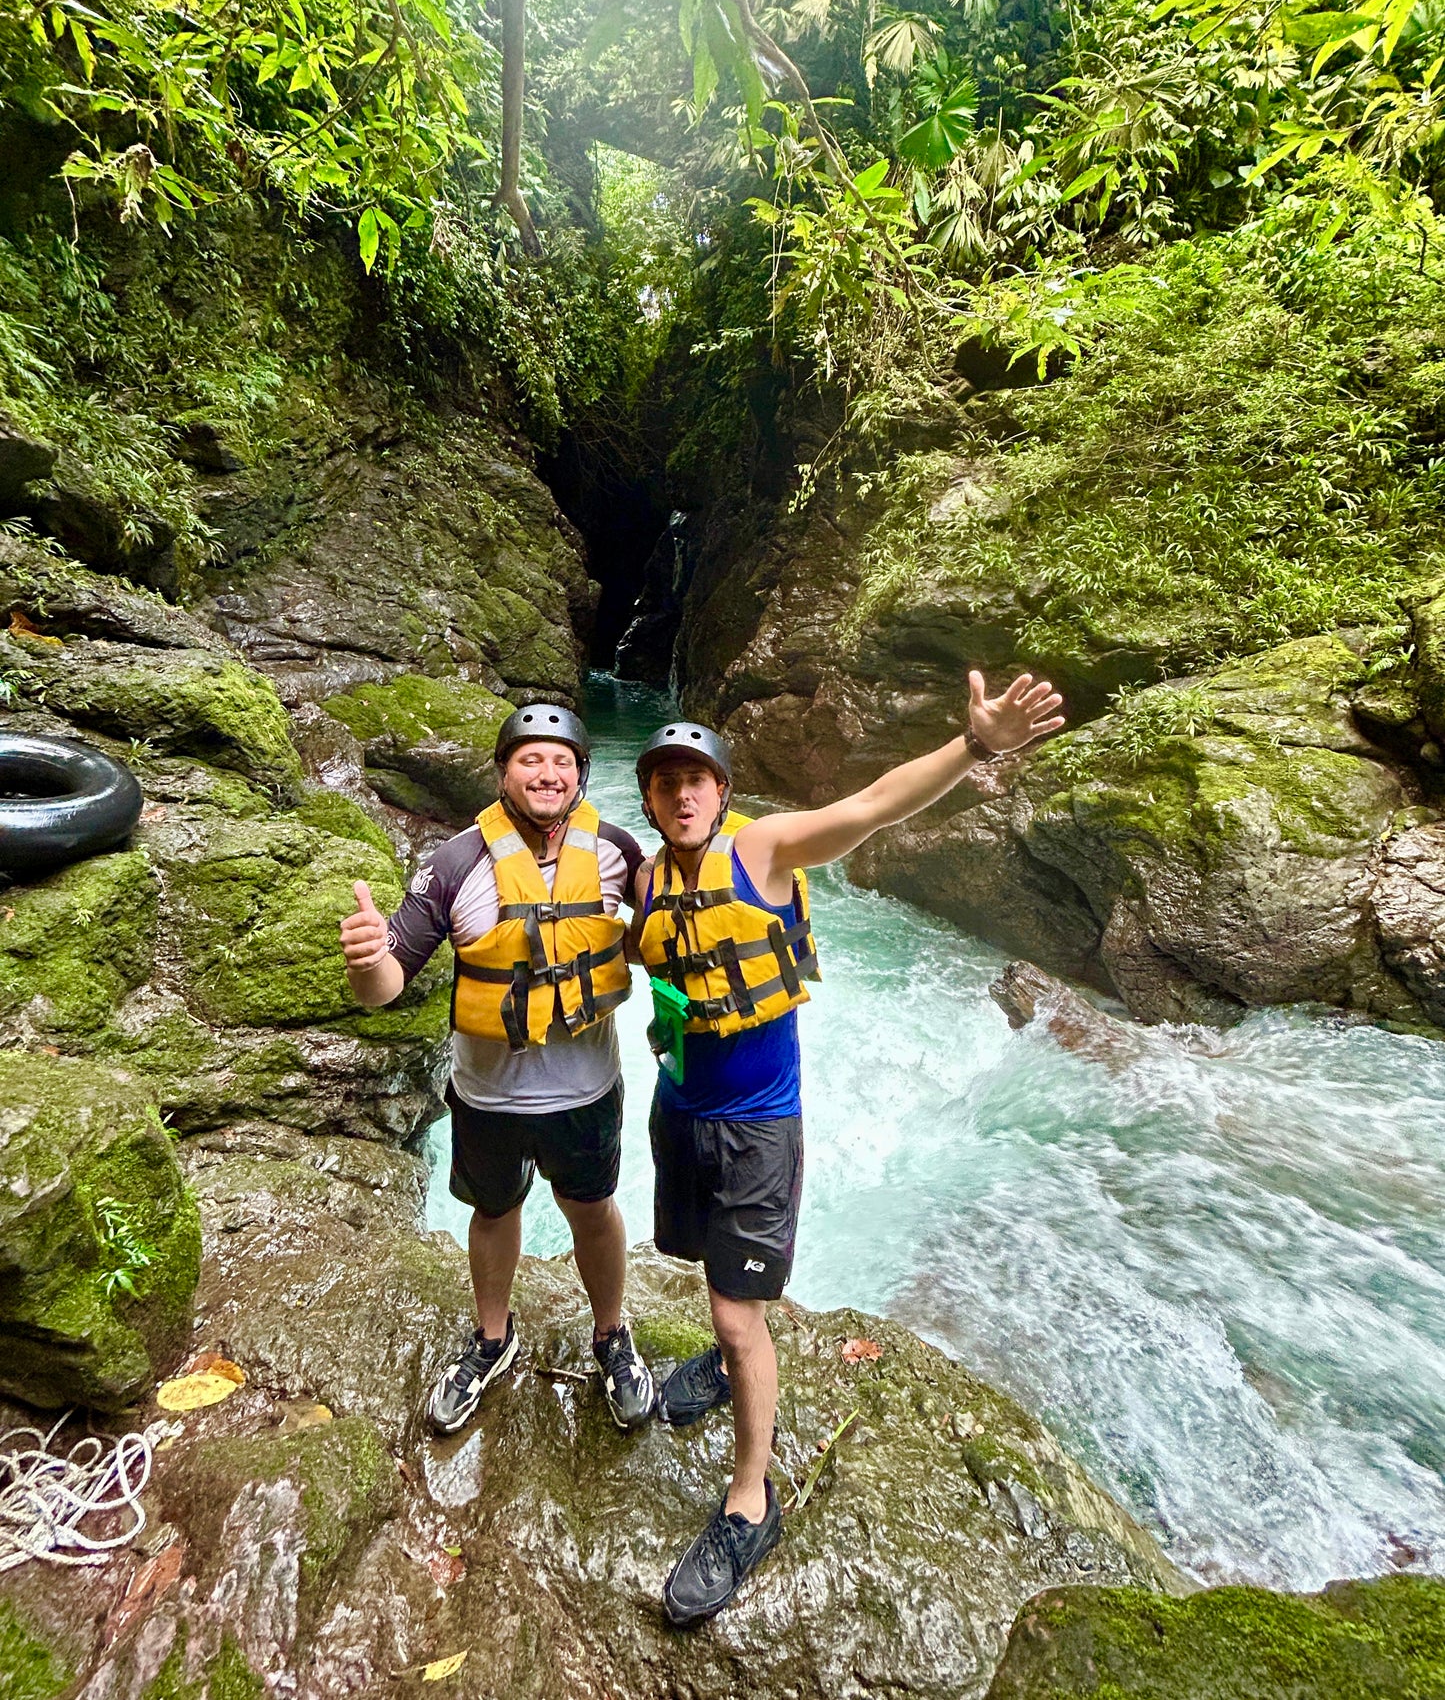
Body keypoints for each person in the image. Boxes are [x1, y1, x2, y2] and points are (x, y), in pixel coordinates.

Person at [633, 669, 1065, 1625]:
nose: (683, 792)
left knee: (741, 1313)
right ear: (652, 800)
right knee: (704, 1263)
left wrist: (977, 746)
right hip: (681, 1108)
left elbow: (872, 806)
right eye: (665, 782)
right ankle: (722, 1352)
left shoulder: (766, 847)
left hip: (757, 1123)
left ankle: (752, 1502)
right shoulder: (648, 876)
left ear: (723, 790)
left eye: (696, 778)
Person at [339, 703, 657, 1437]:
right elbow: (389, 982)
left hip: (586, 1087)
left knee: (592, 1208)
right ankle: (492, 1337)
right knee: (494, 1209)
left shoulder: (615, 852)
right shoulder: (454, 864)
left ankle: (611, 1333)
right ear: (502, 771)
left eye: (562, 761)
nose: (547, 772)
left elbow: (657, 942)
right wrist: (364, 959)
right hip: (487, 1090)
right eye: (529, 759)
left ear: (580, 773)